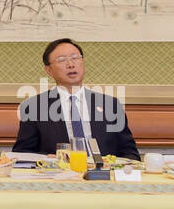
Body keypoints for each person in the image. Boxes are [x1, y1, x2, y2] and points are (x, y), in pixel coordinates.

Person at [12, 38, 140, 160]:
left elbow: (130, 153)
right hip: (59, 177)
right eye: (61, 60)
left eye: (75, 58)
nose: (71, 64)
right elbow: (23, 154)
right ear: (49, 70)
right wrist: (48, 160)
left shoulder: (110, 105)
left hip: (103, 176)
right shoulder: (34, 107)